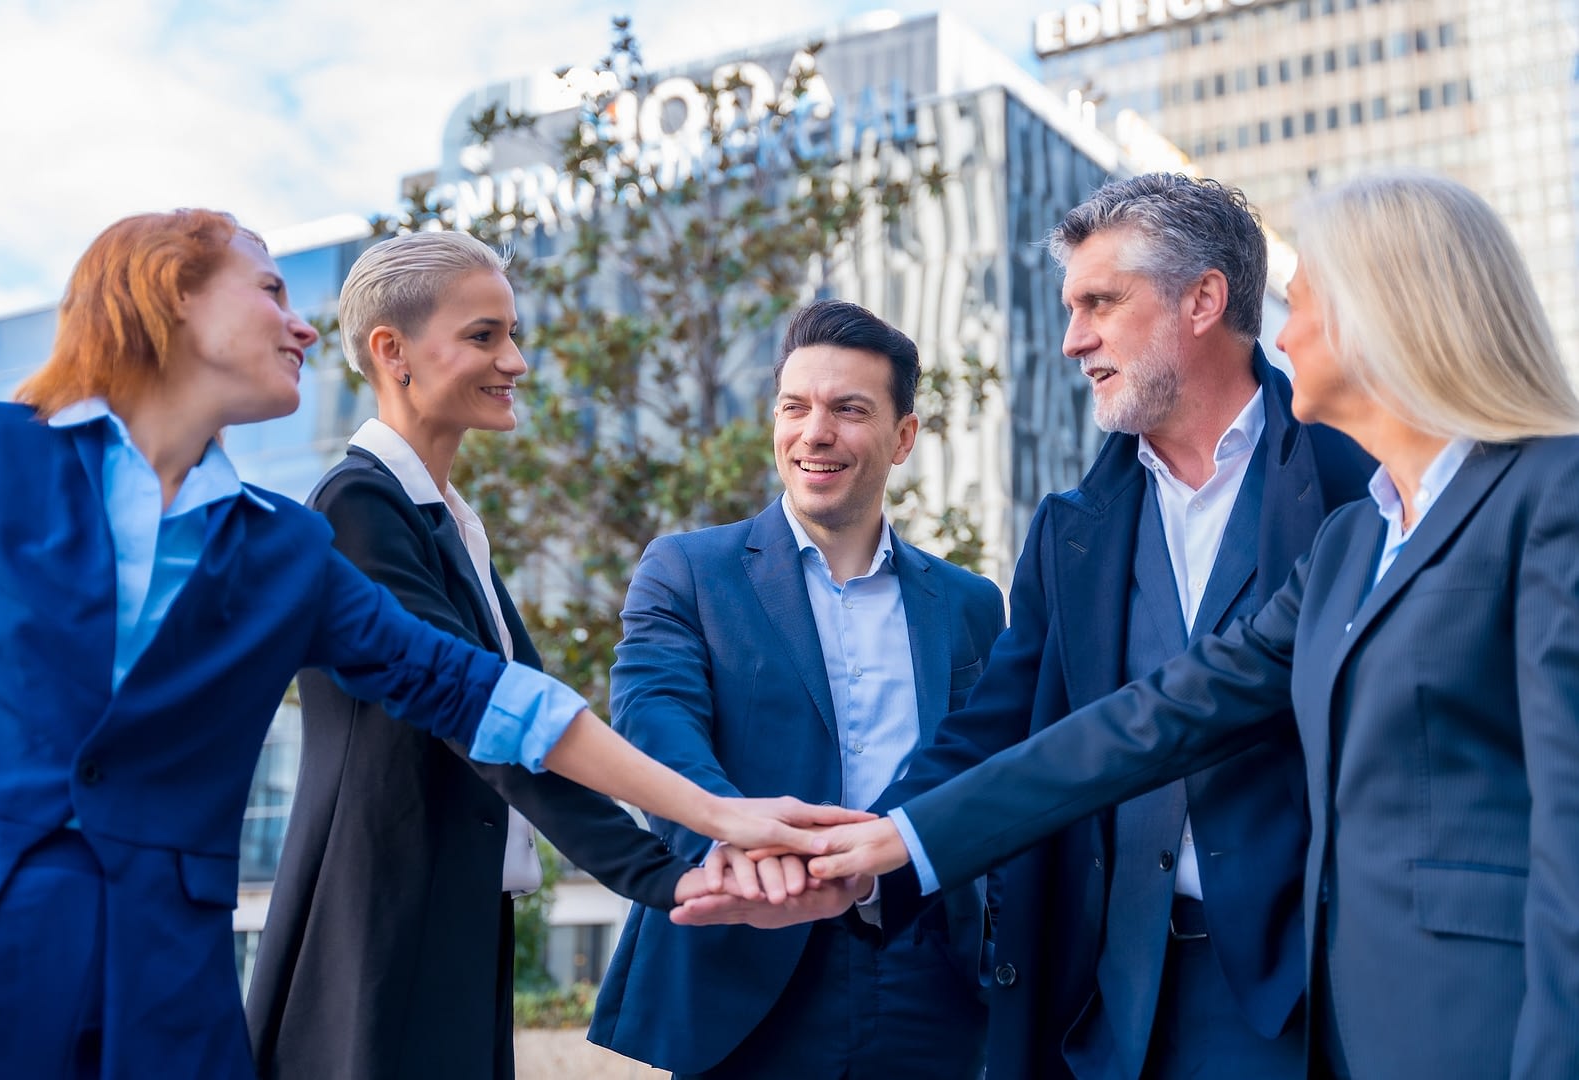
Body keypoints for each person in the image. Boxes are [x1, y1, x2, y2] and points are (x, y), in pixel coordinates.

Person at [0, 209, 861, 1079]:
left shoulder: (283, 551)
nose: (305, 326)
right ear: (173, 295)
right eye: (272, 289)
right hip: (4, 944)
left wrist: (717, 824)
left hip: (164, 993)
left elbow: (490, 700)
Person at [801, 172, 1579, 1079]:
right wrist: (896, 841)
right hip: (1133, 1003)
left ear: (1388, 306)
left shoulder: (1541, 495)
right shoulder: (1354, 539)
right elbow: (1146, 721)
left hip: (1407, 1017)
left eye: (1310, 298)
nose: (1286, 328)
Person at [890, 173, 1370, 1079]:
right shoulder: (1071, 526)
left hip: (1308, 997)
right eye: (1073, 307)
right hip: (1113, 1005)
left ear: (1203, 299)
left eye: (1101, 303)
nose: (1075, 339)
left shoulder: (1357, 481)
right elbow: (993, 732)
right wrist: (869, 849)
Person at [244, 232, 729, 1079]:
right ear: (391, 352)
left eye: (512, 334)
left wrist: (681, 862)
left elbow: (539, 720)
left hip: (453, 916)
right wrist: (666, 874)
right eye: (483, 336)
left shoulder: (447, 522)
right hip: (378, 927)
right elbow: (495, 729)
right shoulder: (359, 507)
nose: (516, 360)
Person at [589, 300, 1007, 1079]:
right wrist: (733, 836)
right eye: (795, 407)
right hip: (742, 956)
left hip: (928, 966)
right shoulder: (687, 569)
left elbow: (982, 759)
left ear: (903, 437)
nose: (815, 432)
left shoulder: (970, 604)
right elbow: (655, 715)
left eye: (849, 410)